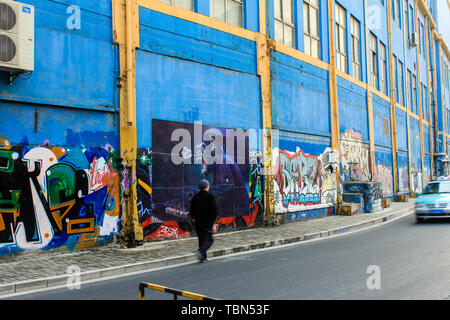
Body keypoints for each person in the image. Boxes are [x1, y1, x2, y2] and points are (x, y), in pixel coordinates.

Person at [189, 179, 218, 262]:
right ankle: (201, 251)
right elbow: (214, 210)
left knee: (201, 239)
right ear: (207, 187)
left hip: (198, 222)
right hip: (208, 222)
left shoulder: (195, 197)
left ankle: (203, 257)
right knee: (209, 239)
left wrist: (194, 218)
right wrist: (212, 220)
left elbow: (191, 210)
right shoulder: (210, 196)